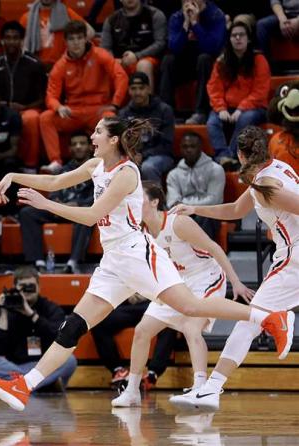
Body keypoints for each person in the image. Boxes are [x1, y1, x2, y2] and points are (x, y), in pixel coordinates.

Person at [0, 116, 293, 412]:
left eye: (98, 132)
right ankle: (25, 385)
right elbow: (57, 179)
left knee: (191, 308)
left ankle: (268, 318)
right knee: (73, 326)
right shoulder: (95, 165)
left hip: (137, 254)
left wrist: (46, 205)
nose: (92, 137)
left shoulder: (128, 173)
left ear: (113, 139)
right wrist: (14, 175)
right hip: (114, 260)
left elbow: (90, 216)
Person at [169, 126, 299, 411]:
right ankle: (211, 389)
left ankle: (212, 388)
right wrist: (194, 209)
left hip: (294, 258)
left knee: (250, 320)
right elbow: (236, 211)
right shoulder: (275, 170)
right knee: (249, 322)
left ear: (240, 155)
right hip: (291, 255)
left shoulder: (268, 187)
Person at [112, 181, 254, 407]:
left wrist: (236, 283)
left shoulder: (178, 222)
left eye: (139, 199)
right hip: (175, 282)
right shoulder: (141, 233)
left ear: (155, 202)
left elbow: (214, 248)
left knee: (190, 326)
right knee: (141, 331)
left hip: (205, 277)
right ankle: (132, 391)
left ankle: (200, 388)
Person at [40, 20, 128, 173]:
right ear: (65, 42)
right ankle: (55, 161)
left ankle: (112, 163)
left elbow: (120, 76)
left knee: (110, 120)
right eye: (72, 39)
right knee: (46, 118)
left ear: (86, 39)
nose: (76, 43)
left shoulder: (100, 55)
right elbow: (50, 95)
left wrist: (115, 103)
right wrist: (58, 106)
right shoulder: (61, 65)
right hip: (74, 111)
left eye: (79, 38)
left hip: (98, 109)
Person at [0, 266, 77, 391]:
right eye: (23, 286)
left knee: (69, 360)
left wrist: (31, 314)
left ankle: (19, 386)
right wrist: (4, 312)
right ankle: (38, 385)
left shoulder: (51, 308)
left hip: (44, 366)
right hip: (15, 365)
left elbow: (59, 337)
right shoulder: (8, 310)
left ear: (38, 287)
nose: (27, 290)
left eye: (31, 286)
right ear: (15, 288)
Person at [19, 132, 94, 273]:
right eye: (74, 144)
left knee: (87, 213)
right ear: (69, 149)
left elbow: (98, 197)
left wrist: (77, 205)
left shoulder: (97, 170)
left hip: (80, 212)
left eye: (82, 143)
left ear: (90, 147)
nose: (78, 147)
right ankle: (38, 262)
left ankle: (73, 263)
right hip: (58, 209)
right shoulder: (62, 170)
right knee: (27, 213)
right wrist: (57, 204)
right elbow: (53, 193)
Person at [0, 21, 47, 171]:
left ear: (22, 40)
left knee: (31, 118)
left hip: (27, 109)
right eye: (8, 37)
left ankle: (30, 166)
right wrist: (1, 106)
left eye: (15, 38)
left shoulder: (35, 64)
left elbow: (43, 97)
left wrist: (25, 106)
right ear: (2, 40)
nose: (11, 41)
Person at [206, 21, 270, 166]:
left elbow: (260, 91)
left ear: (248, 38)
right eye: (234, 35)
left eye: (241, 35)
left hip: (255, 107)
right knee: (212, 122)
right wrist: (221, 108)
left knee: (246, 118)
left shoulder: (259, 60)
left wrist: (241, 108)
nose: (238, 38)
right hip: (227, 107)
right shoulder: (222, 61)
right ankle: (223, 156)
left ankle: (233, 155)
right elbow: (214, 87)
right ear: (229, 39)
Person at [91, 293, 178, 391]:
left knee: (168, 321)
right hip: (124, 305)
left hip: (151, 304)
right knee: (98, 321)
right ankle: (117, 370)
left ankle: (152, 373)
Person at [159, 0, 227, 125]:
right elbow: (174, 47)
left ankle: (200, 112)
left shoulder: (216, 15)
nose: (190, 2)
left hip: (208, 65)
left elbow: (211, 47)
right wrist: (186, 23)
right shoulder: (177, 17)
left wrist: (195, 23)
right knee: (168, 60)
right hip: (185, 63)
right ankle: (166, 113)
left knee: (204, 59)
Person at [166, 132, 225, 239]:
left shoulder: (215, 169)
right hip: (184, 214)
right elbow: (172, 202)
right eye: (185, 147)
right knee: (171, 216)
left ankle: (203, 253)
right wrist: (185, 208)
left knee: (206, 216)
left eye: (193, 146)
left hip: (209, 214)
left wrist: (189, 207)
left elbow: (214, 200)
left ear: (200, 148)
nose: (188, 150)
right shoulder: (173, 174)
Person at [119, 72, 175, 183]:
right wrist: (131, 155)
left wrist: (143, 155)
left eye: (141, 88)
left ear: (149, 89)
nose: (137, 92)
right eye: (133, 88)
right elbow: (122, 142)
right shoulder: (123, 114)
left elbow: (166, 144)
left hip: (160, 155)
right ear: (129, 91)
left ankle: (155, 199)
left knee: (148, 167)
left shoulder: (164, 110)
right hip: (133, 155)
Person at [100, 0, 167, 88]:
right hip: (120, 60)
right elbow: (105, 48)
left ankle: (148, 101)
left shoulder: (155, 14)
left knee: (143, 65)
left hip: (148, 58)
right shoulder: (111, 19)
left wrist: (136, 56)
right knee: (107, 65)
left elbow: (160, 43)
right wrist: (113, 61)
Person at [19, 0, 95, 69]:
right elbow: (21, 45)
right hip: (36, 67)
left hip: (62, 65)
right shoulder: (27, 17)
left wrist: (74, 49)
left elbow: (90, 32)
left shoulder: (66, 12)